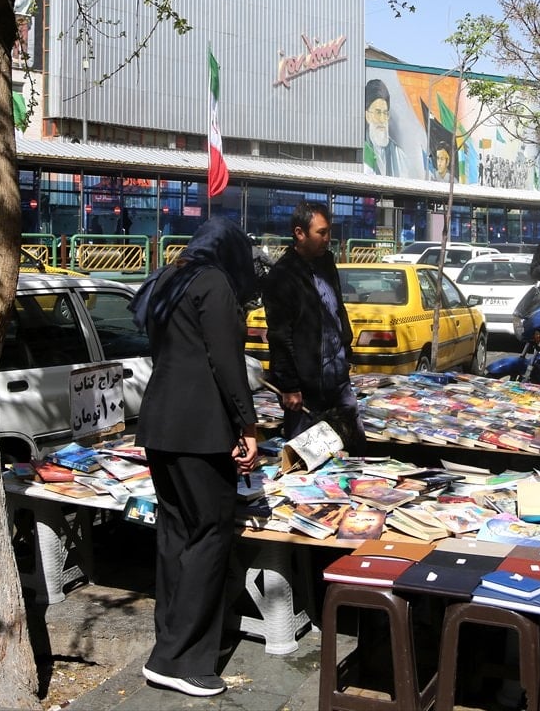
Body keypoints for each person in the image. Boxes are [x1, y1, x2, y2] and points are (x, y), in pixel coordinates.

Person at [129, 217, 260, 698]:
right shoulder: (214, 284)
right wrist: (248, 424)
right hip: (201, 429)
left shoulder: (169, 277)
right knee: (209, 532)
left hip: (161, 423)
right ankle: (181, 660)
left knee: (175, 532)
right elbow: (225, 361)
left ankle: (168, 645)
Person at [263, 201, 365, 447]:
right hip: (305, 389)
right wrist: (289, 386)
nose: (327, 238)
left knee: (356, 447)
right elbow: (279, 335)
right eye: (321, 232)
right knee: (308, 456)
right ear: (299, 233)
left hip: (338, 380)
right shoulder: (282, 276)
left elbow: (336, 309)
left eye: (328, 231)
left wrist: (345, 348)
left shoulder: (326, 262)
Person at [362, 79, 409, 177]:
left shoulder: (399, 154)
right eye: (378, 112)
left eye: (385, 113)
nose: (382, 119)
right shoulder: (361, 149)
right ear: (367, 116)